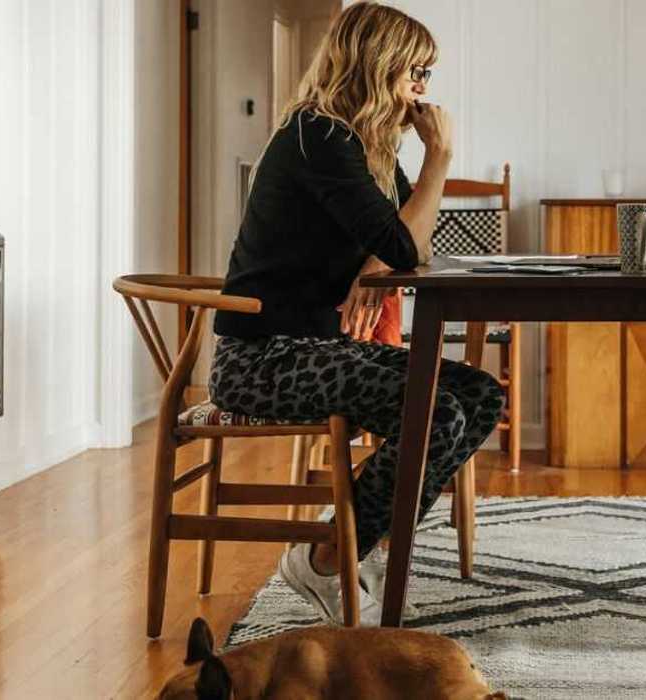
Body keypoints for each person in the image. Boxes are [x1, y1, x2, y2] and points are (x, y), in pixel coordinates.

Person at [209, 1, 503, 625]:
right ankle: (326, 558)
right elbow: (405, 244)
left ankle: (352, 543)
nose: (423, 89)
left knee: (480, 394)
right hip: (264, 359)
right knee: (436, 406)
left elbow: (401, 248)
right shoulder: (320, 135)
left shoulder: (362, 145)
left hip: (317, 348)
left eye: (428, 74)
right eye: (413, 72)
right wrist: (441, 160)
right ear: (379, 66)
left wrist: (376, 265)